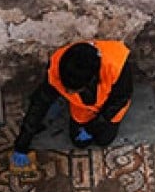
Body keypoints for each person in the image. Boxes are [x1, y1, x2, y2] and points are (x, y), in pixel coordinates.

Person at [9, 40, 134, 172]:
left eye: (72, 90)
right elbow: (39, 104)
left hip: (111, 107)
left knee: (103, 140)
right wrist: (22, 144)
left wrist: (92, 128)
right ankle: (61, 107)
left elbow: (120, 100)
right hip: (82, 107)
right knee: (79, 142)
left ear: (91, 81)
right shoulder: (57, 65)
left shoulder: (116, 66)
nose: (67, 92)